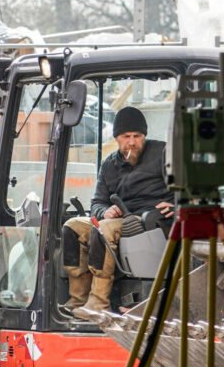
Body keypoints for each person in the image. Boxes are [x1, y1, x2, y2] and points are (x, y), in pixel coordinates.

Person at [63, 106, 173, 311]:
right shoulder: (109, 165)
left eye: (137, 136)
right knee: (73, 227)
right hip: (119, 220)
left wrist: (176, 203)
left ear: (144, 136)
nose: (132, 142)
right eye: (126, 136)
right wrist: (104, 211)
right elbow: (97, 202)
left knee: (105, 229)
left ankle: (98, 304)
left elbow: (189, 188)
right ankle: (78, 300)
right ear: (117, 138)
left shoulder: (164, 154)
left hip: (154, 222)